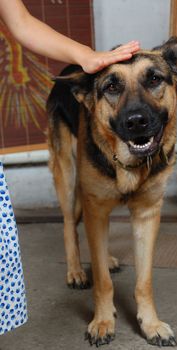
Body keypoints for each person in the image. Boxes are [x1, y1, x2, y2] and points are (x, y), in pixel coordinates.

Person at [0, 0, 140, 335]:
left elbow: (19, 21)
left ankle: (97, 254)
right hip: (64, 114)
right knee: (71, 183)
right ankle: (73, 255)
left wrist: (86, 55)